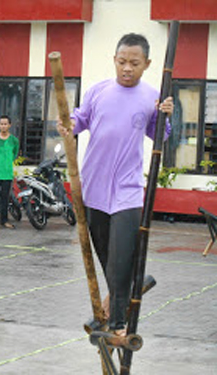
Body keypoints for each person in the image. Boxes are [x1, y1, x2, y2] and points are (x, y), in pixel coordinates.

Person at [57, 33, 173, 336]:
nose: (127, 68)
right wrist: (67, 123)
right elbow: (79, 120)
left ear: (146, 64)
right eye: (122, 62)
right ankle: (136, 284)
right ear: (114, 60)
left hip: (128, 192)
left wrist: (165, 117)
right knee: (108, 263)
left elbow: (160, 136)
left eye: (134, 63)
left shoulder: (152, 97)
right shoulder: (99, 91)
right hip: (93, 190)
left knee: (121, 260)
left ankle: (119, 325)